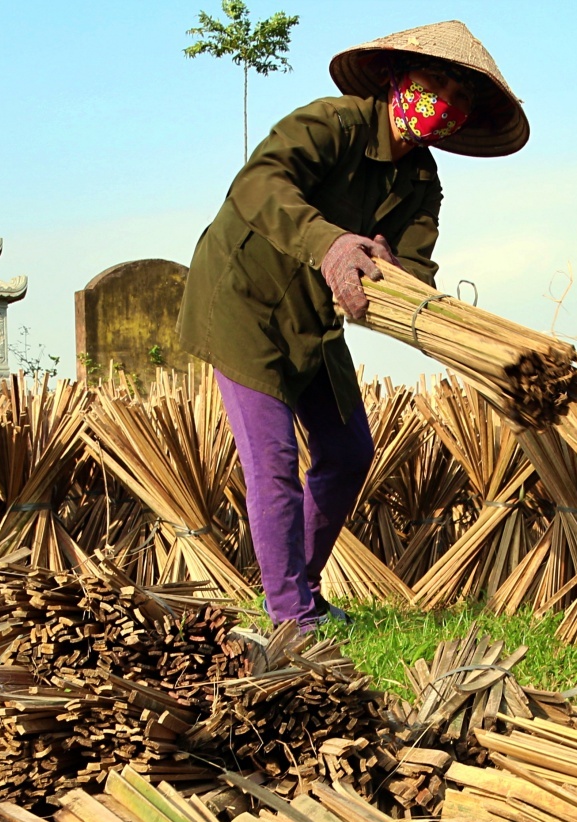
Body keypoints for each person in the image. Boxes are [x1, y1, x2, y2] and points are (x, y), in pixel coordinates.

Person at [177, 20, 528, 627]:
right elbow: (258, 183)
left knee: (347, 451)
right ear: (396, 77)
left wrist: (405, 289)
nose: (446, 100)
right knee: (273, 458)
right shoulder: (332, 124)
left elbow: (416, 268)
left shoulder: (421, 179)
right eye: (436, 81)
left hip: (314, 318)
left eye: (462, 96)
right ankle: (290, 616)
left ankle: (301, 589)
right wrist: (332, 245)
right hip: (244, 302)